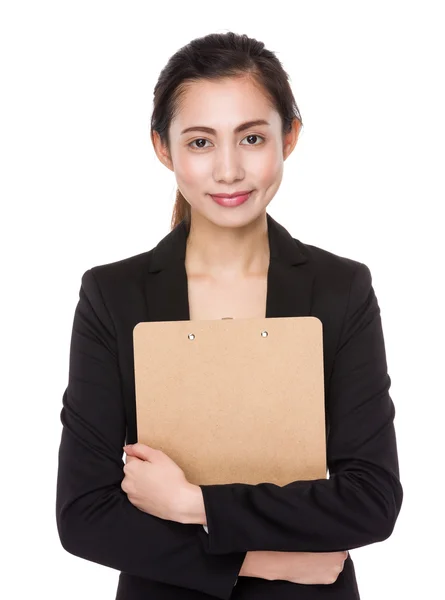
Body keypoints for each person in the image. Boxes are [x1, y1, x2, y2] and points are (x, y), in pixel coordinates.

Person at [55, 31, 403, 599]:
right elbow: (85, 514)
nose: (228, 170)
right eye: (199, 142)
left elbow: (370, 500)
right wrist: (261, 560)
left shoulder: (341, 290)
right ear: (162, 148)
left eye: (251, 137)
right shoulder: (113, 296)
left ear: (288, 137)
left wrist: (195, 504)